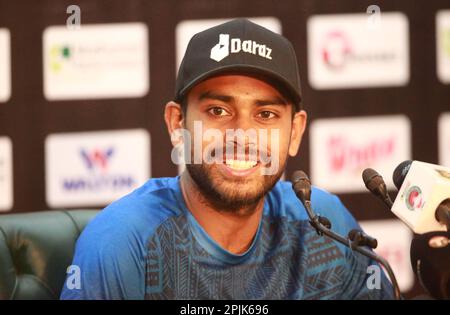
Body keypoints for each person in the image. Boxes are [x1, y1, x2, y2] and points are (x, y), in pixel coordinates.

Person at [60, 18, 394, 300]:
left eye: (265, 114)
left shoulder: (323, 224)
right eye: (218, 111)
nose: (242, 135)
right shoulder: (123, 243)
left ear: (294, 132)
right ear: (178, 124)